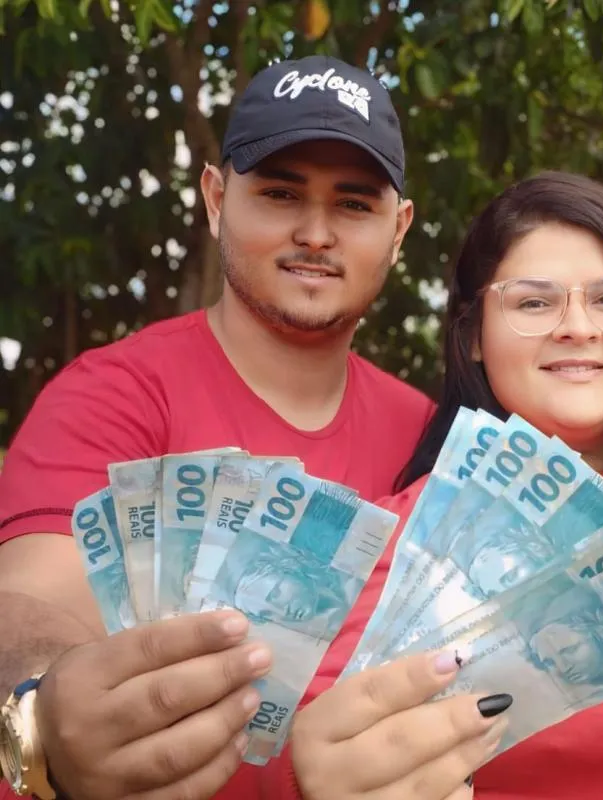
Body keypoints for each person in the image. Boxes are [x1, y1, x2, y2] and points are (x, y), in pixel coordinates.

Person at [256, 171, 603, 799]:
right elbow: (290, 756)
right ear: (472, 337)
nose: (578, 327)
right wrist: (295, 781)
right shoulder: (412, 547)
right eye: (534, 303)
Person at [0, 54, 434, 800]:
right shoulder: (111, 396)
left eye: (354, 205)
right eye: (279, 193)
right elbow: (28, 602)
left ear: (398, 231)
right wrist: (48, 712)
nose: (315, 233)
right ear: (215, 198)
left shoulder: (428, 431)